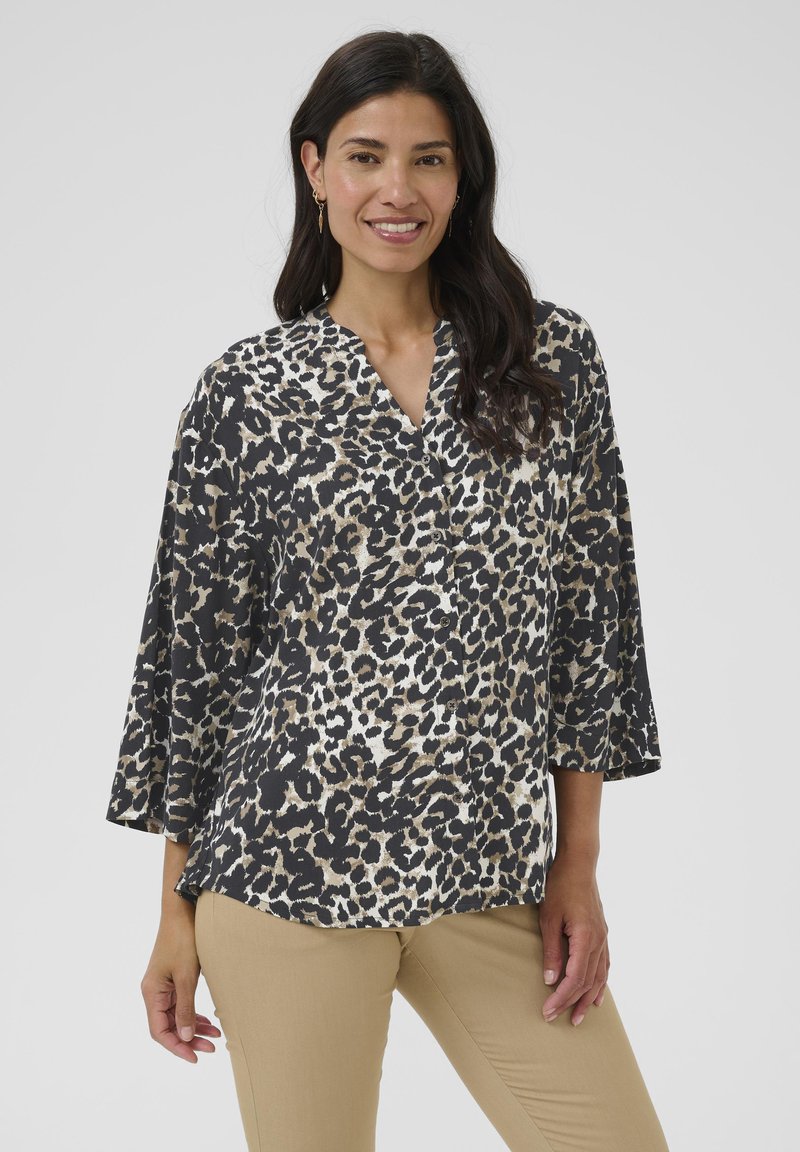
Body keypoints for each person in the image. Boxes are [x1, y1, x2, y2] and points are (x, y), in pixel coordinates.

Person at [105, 28, 670, 1152]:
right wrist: (174, 914)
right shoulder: (246, 393)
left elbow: (591, 627)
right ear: (314, 168)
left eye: (429, 159)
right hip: (284, 871)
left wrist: (578, 866)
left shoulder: (549, 364)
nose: (396, 190)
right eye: (365, 157)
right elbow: (197, 670)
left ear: (463, 179)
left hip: (488, 874)